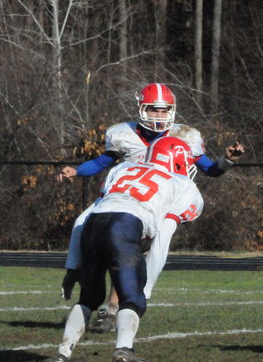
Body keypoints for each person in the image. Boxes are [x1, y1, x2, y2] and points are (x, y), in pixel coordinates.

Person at [58, 82, 245, 333]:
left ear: (172, 110)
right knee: (82, 222)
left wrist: (227, 161)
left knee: (134, 250)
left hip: (158, 202)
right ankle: (74, 272)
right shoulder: (123, 134)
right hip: (121, 194)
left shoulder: (185, 136)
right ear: (141, 109)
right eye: (154, 109)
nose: (159, 115)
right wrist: (77, 170)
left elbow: (210, 169)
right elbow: (101, 162)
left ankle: (114, 307)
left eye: (164, 110)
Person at [45, 137, 204, 362]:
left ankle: (61, 355)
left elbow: (82, 219)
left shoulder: (123, 168)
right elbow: (163, 238)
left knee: (89, 297)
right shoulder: (184, 185)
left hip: (93, 225)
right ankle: (123, 350)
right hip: (125, 226)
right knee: (133, 298)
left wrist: (73, 267)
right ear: (180, 161)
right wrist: (146, 287)